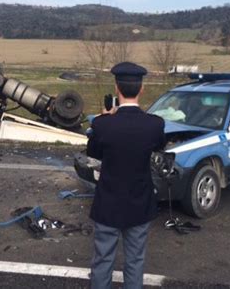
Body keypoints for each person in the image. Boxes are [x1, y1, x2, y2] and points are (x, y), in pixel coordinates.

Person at [87, 61, 166, 289]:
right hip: (140, 202)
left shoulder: (103, 124)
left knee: (102, 261)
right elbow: (159, 146)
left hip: (108, 202)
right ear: (141, 89)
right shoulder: (154, 124)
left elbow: (93, 153)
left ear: (116, 88)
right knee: (135, 261)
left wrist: (105, 119)